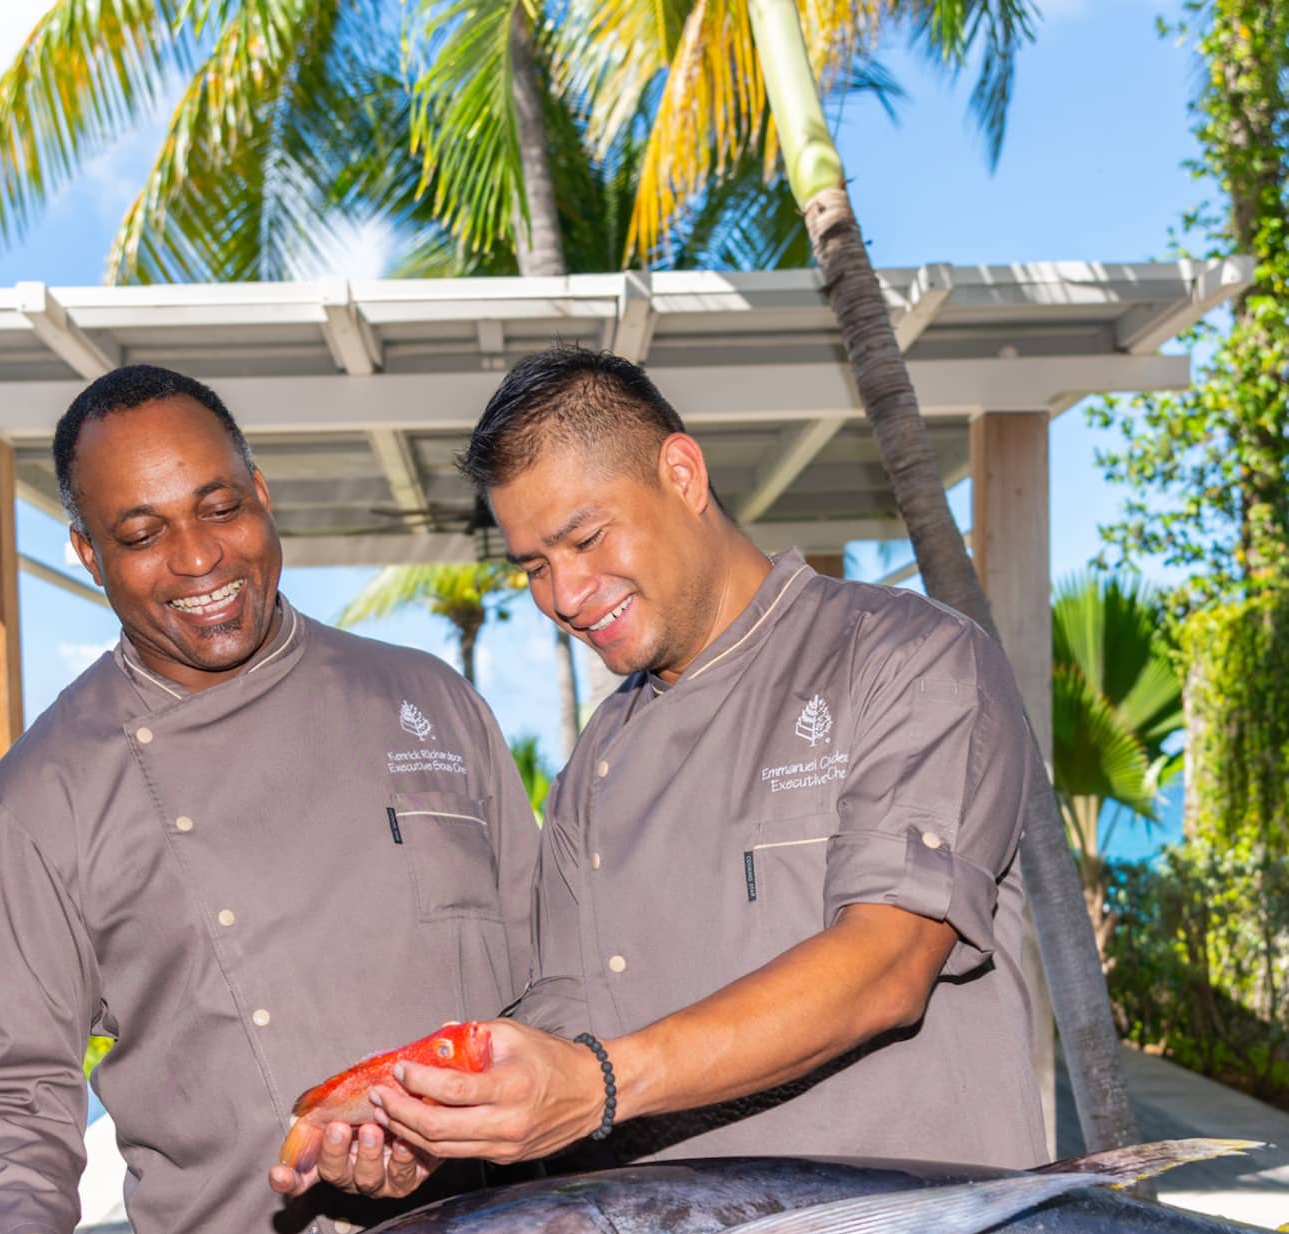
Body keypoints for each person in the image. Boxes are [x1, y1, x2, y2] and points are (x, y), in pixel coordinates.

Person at [0, 364, 538, 1234]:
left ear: (264, 495)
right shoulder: (38, 798)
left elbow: (553, 991)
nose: (198, 557)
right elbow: (3, 1093)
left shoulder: (428, 701)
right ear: (88, 553)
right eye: (141, 532)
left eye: (219, 506)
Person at [320, 345, 1046, 1178]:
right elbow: (568, 1013)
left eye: (586, 538)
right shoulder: (596, 764)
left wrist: (599, 1085)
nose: (563, 595)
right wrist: (442, 1130)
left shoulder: (907, 657)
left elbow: (888, 961)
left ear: (683, 473)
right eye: (535, 567)